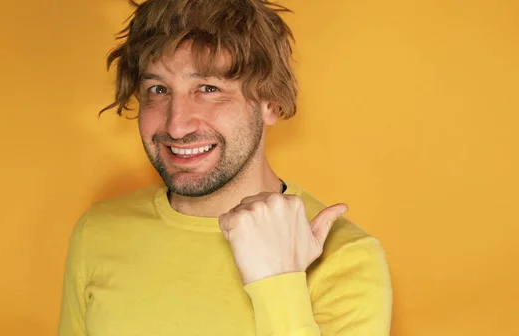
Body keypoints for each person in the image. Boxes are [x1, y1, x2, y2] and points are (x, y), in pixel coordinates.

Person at [58, 0, 392, 335]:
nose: (176, 127)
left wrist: (278, 282)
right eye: (158, 89)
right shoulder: (98, 232)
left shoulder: (345, 258)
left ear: (271, 103)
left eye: (208, 89)